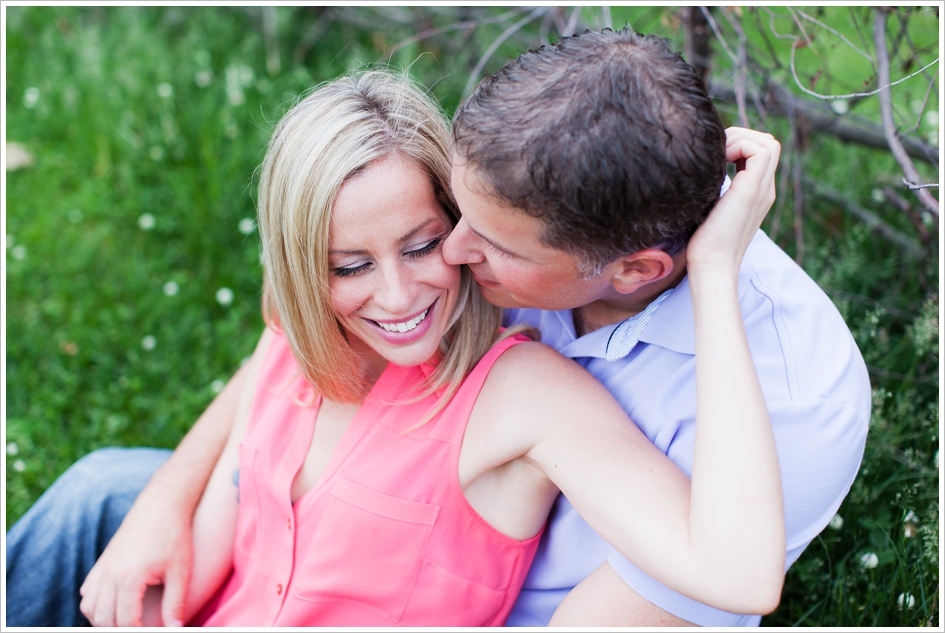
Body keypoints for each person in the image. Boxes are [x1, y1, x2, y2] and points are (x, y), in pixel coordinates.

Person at [6, 28, 869, 627]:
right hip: (304, 546)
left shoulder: (788, 402)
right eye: (349, 264)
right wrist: (167, 503)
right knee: (100, 493)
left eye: (454, 239)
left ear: (635, 269)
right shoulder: (519, 182)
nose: (447, 256)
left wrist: (714, 274)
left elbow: (729, 574)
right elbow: (288, 338)